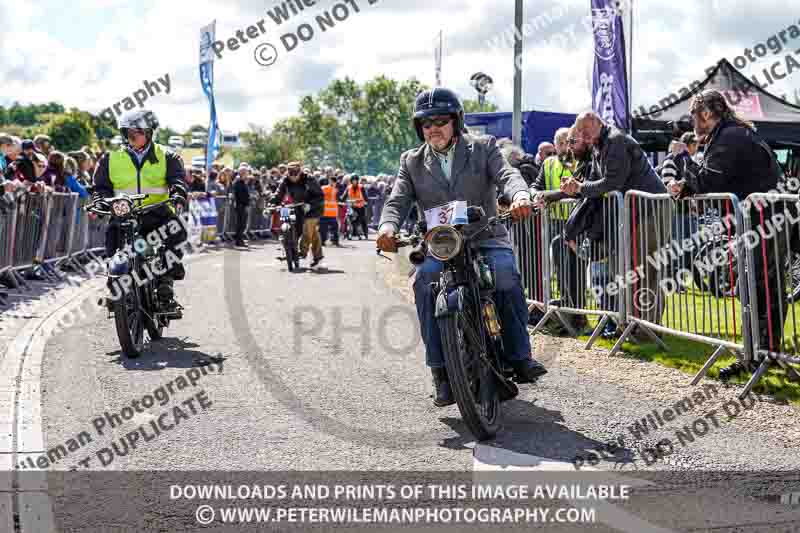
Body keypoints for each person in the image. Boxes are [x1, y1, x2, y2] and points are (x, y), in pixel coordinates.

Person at [377, 87, 547, 407]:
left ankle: (519, 356)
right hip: (441, 244)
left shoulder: (483, 147)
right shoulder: (411, 162)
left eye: (441, 120)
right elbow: (397, 200)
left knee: (505, 275)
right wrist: (387, 227)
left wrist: (520, 196)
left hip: (484, 236)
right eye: (426, 123)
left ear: (457, 121)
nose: (433, 128)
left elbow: (507, 175)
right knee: (424, 283)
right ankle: (440, 372)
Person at [668, 89, 785, 380]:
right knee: (750, 288)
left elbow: (710, 179)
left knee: (763, 288)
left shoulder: (731, 136)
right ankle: (753, 354)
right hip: (756, 220)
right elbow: (714, 180)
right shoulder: (729, 134)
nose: (692, 122)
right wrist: (687, 186)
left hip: (765, 220)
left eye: (694, 115)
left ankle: (765, 355)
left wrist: (683, 159)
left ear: (707, 113)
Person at [561, 111, 668, 327]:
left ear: (597, 123)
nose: (581, 135)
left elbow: (612, 182)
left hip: (650, 208)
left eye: (584, 130)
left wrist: (581, 188)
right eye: (579, 131)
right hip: (633, 211)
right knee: (627, 271)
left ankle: (648, 329)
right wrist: (574, 187)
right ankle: (630, 325)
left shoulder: (615, 141)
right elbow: (594, 181)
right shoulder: (599, 145)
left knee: (645, 271)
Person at [91, 109, 188, 312]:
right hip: (125, 214)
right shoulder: (110, 158)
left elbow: (177, 179)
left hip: (157, 212)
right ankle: (115, 284)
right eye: (128, 132)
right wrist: (100, 201)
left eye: (138, 132)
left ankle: (165, 284)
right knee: (113, 242)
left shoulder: (167, 156)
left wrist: (178, 193)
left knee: (175, 232)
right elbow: (100, 187)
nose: (132, 136)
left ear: (150, 133)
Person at [270, 161, 325, 266]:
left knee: (307, 230)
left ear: (300, 172)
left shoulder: (309, 179)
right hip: (298, 207)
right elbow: (278, 194)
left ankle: (302, 252)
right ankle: (315, 255)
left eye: (296, 174)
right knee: (307, 231)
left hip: (314, 208)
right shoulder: (285, 180)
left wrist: (310, 205)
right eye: (291, 174)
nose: (293, 177)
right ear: (288, 173)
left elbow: (320, 196)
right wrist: (271, 204)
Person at [346, 174, 369, 239]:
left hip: (360, 207)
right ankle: (349, 234)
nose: (354, 182)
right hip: (352, 207)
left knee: (363, 220)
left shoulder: (361, 187)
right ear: (351, 181)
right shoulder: (348, 187)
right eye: (353, 180)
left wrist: (366, 202)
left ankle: (365, 234)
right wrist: (340, 199)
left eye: (356, 180)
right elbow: (344, 196)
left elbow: (365, 197)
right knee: (350, 220)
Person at [231, 168, 250, 247]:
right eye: (246, 172)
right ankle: (239, 241)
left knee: (243, 224)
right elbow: (239, 195)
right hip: (240, 205)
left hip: (243, 205)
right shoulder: (238, 182)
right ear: (242, 173)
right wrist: (245, 202)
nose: (247, 174)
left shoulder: (242, 182)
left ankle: (240, 240)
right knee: (240, 224)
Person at [319, 176, 340, 246]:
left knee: (326, 229)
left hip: (330, 213)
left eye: (334, 182)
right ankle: (325, 241)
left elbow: (338, 199)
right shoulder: (324, 188)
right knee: (324, 229)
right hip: (325, 213)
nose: (333, 183)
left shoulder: (335, 190)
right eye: (332, 181)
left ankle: (332, 241)